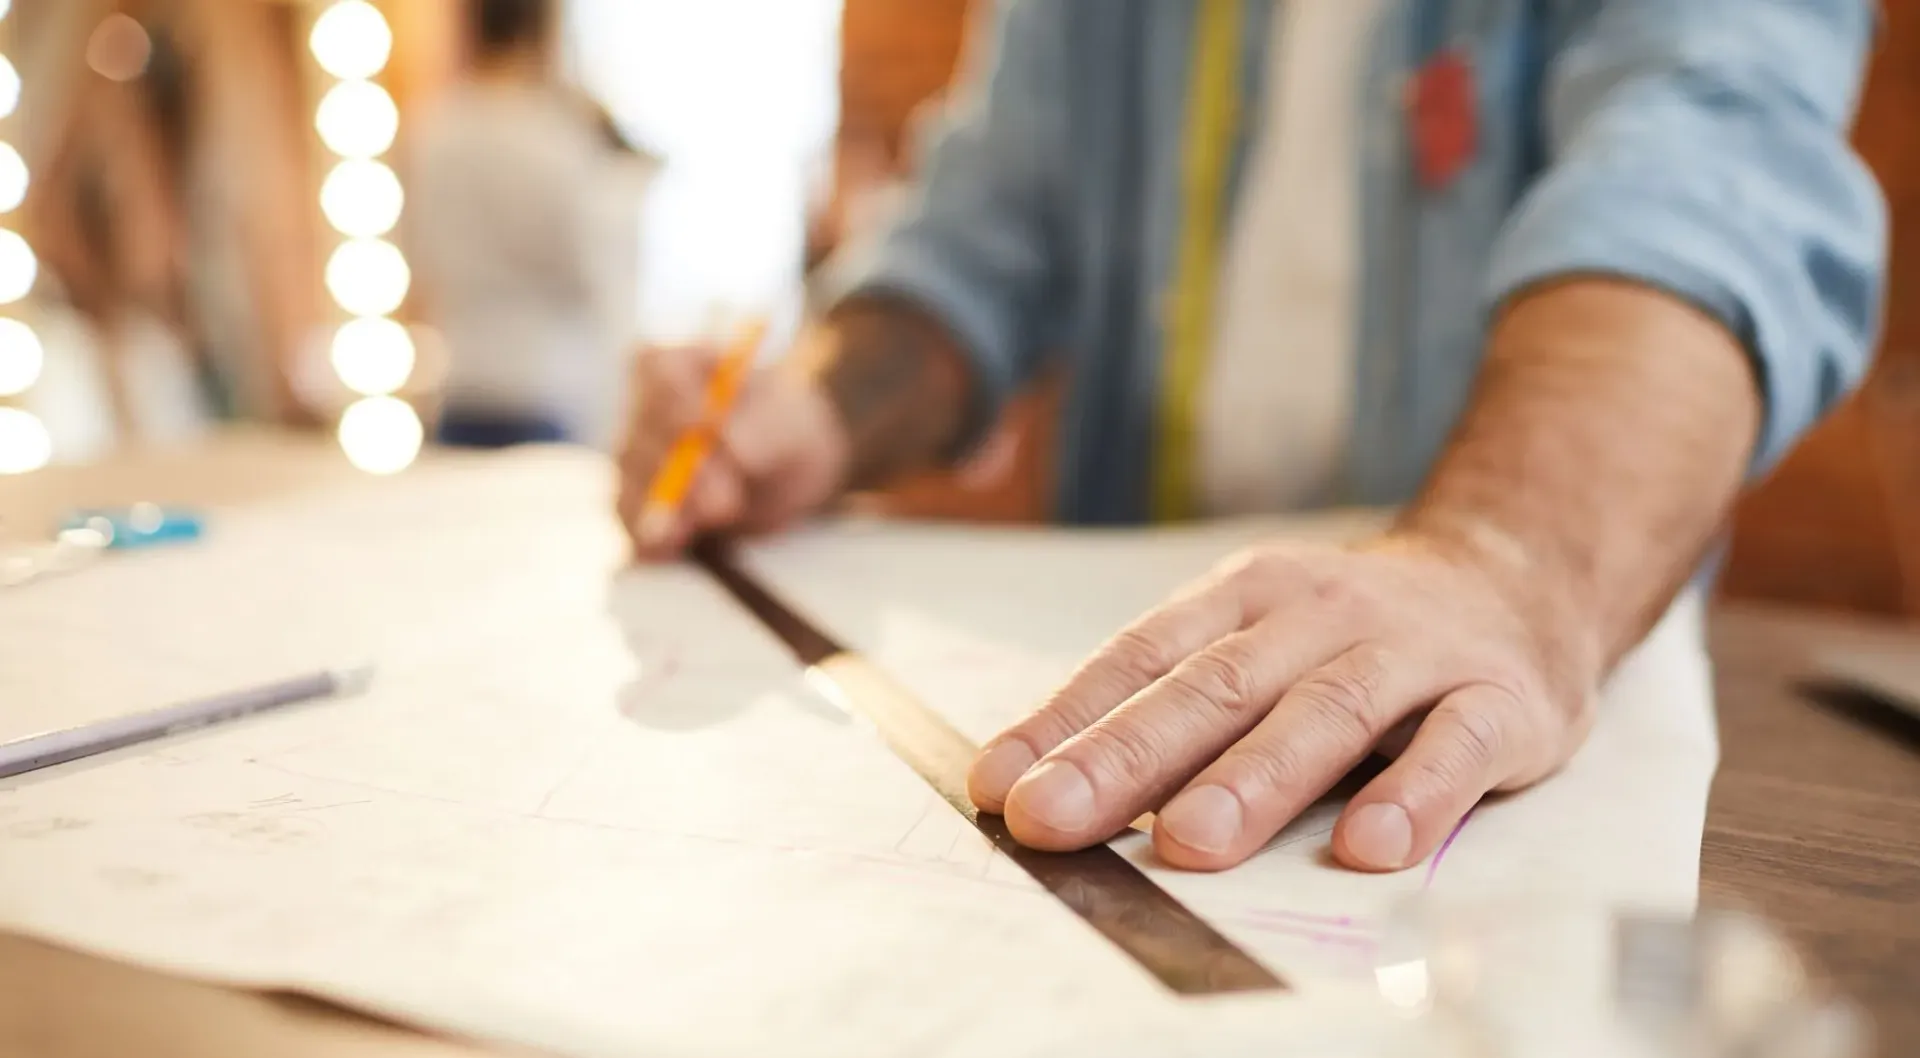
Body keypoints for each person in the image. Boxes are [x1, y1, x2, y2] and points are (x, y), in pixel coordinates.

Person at [617, 1, 1885, 877]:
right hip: (1156, 682)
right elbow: (981, 236)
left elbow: (1708, 183)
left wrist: (1506, 563)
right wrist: (821, 406)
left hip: (1497, 713)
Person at [410, 0, 651, 450]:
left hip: (463, 385)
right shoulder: (556, 140)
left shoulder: (435, 129)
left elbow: (420, 255)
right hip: (546, 392)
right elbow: (597, 273)